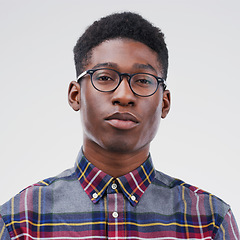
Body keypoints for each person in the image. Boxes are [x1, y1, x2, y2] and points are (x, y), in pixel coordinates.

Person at [0, 12, 239, 240]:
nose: (124, 96)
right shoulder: (19, 222)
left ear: (164, 103)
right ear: (76, 95)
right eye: (105, 77)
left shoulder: (209, 221)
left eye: (143, 80)